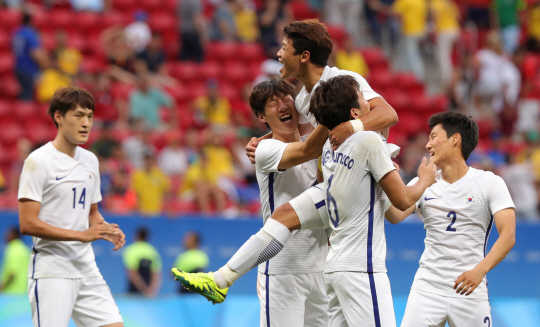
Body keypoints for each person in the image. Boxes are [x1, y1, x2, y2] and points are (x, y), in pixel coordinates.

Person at [172, 75, 435, 327]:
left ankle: (222, 278)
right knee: (284, 216)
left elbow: (389, 204)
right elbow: (309, 150)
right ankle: (221, 279)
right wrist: (339, 117)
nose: (283, 105)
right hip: (282, 268)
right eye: (273, 103)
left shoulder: (330, 146)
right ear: (262, 117)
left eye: (287, 98)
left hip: (322, 268)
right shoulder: (265, 149)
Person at [384, 112, 516, 326]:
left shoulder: (489, 183)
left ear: (455, 139)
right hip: (427, 287)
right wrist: (384, 181)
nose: (428, 145)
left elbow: (508, 236)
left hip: (470, 288)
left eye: (434, 137)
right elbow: (395, 215)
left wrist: (478, 271)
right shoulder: (423, 181)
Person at [18, 86, 125, 327]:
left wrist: (106, 228)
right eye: (78, 115)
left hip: (85, 267)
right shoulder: (39, 161)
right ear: (58, 116)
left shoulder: (90, 161)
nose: (86, 123)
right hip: (52, 270)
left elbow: (92, 214)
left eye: (89, 116)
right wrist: (82, 235)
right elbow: (27, 223)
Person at [12, 13, 47, 100]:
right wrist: (45, 64)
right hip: (28, 68)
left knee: (23, 92)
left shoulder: (17, 32)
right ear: (31, 21)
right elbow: (35, 53)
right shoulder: (30, 33)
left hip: (18, 66)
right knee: (27, 96)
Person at [122, 227, 162, 297]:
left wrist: (143, 289)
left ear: (137, 236)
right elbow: (156, 274)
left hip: (134, 292)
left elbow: (132, 273)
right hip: (148, 293)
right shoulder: (152, 251)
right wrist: (151, 290)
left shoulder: (131, 250)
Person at [0, 227, 30, 294]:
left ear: (14, 235)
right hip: (23, 290)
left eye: (8, 234)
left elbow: (12, 272)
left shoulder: (13, 249)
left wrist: (2, 287)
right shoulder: (24, 249)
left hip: (12, 292)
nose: (6, 236)